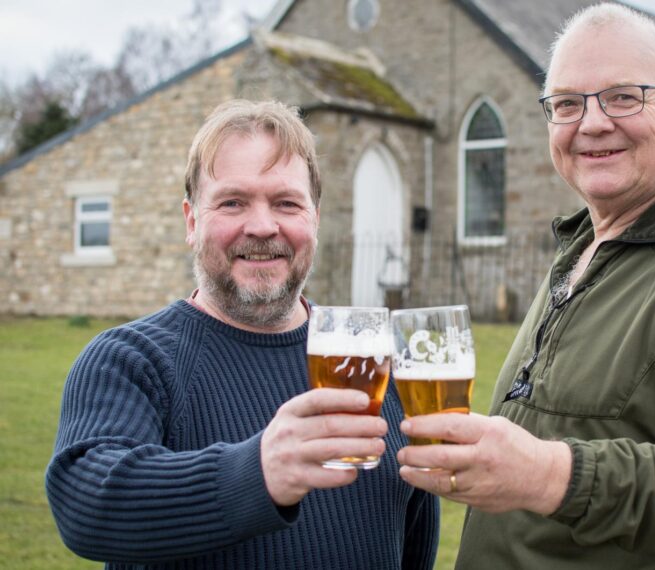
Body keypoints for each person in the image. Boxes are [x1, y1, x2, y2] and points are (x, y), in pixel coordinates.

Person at [396, 4, 655, 569]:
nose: (592, 123)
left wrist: (550, 475)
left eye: (623, 97)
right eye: (567, 104)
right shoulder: (582, 249)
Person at [45, 99, 438, 570]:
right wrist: (257, 472)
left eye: (286, 203)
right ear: (192, 221)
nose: (263, 226)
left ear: (314, 218)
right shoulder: (130, 361)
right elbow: (86, 506)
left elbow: (413, 546)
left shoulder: (375, 362)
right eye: (233, 202)